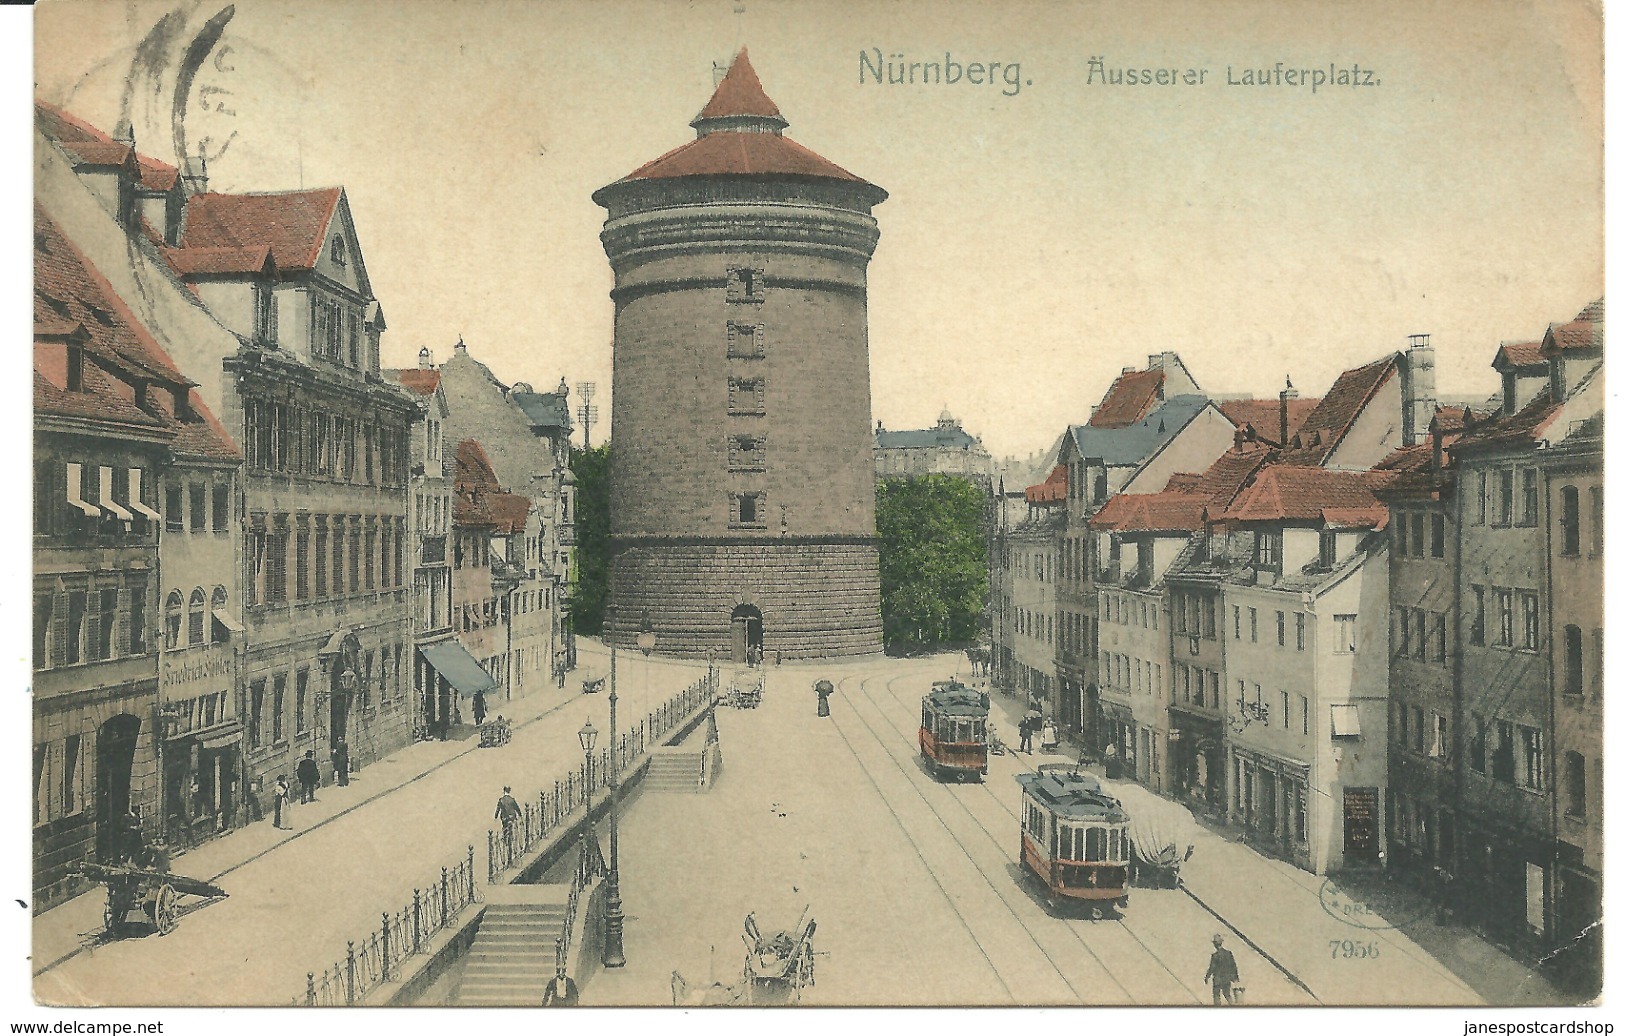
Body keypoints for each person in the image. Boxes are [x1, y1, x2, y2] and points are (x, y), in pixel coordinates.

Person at [1204, 933, 1239, 1005]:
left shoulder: (1215, 956)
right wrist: (1236, 977)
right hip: (1226, 978)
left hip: (1217, 979)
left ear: (1215, 944)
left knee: (1216, 996)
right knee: (1227, 994)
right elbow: (1233, 966)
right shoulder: (1228, 953)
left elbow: (1211, 968)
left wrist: (1207, 977)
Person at [495, 785, 522, 855]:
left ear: (503, 791)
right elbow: (517, 808)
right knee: (511, 826)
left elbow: (498, 809)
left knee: (504, 827)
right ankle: (511, 837)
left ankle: (505, 838)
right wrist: (520, 815)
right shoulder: (512, 800)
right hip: (512, 816)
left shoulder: (501, 800)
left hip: (504, 817)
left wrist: (495, 816)